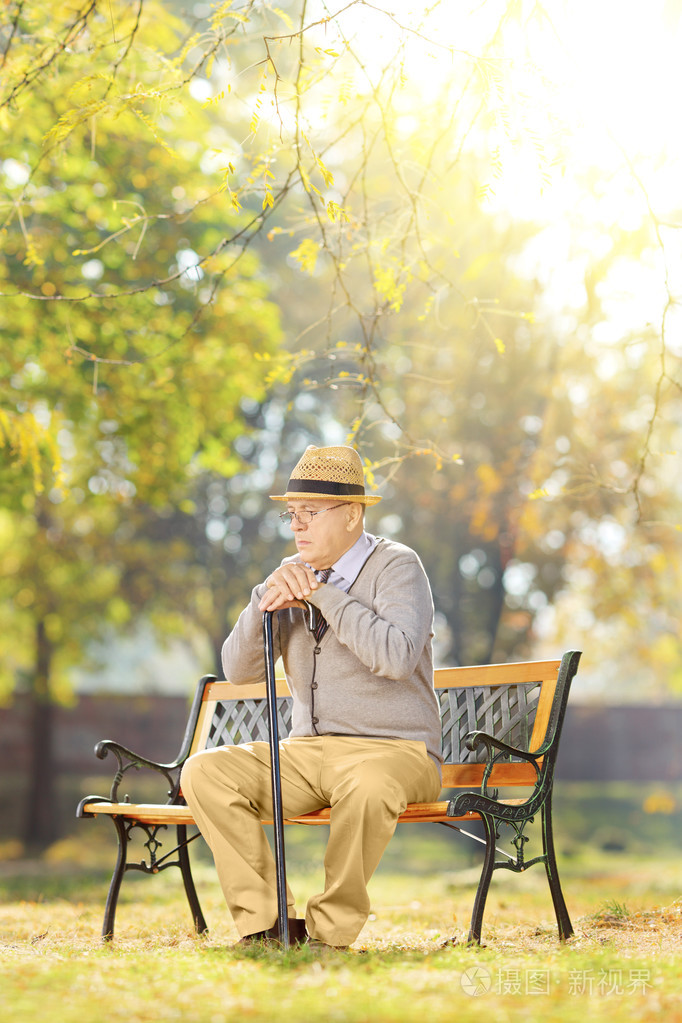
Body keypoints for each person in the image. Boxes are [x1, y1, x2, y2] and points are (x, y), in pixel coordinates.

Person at [180, 444, 442, 951]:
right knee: (204, 771)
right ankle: (268, 924)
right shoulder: (290, 573)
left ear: (352, 514)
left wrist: (322, 594)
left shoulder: (397, 566)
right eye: (292, 514)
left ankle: (330, 932)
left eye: (311, 513)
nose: (298, 526)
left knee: (367, 785)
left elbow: (394, 656)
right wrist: (265, 604)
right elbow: (238, 671)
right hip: (306, 753)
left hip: (397, 752)